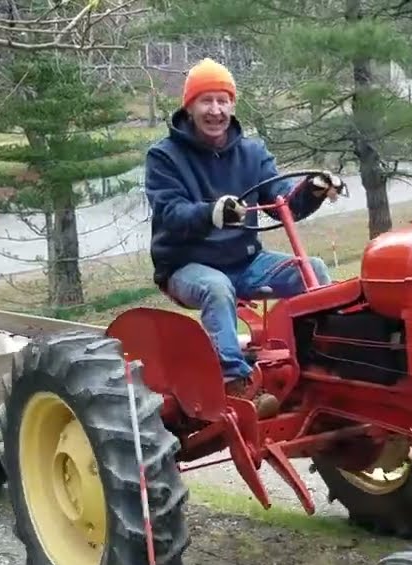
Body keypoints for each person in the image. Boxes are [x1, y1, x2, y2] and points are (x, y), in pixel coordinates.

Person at [144, 57, 344, 418]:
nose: (216, 110)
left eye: (223, 101)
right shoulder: (164, 156)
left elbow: (282, 202)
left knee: (310, 270)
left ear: (233, 105)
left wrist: (312, 189)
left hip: (247, 261)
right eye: (206, 101)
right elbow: (169, 213)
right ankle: (236, 384)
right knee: (217, 288)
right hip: (188, 265)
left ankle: (321, 366)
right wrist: (211, 212)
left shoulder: (251, 152)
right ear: (189, 107)